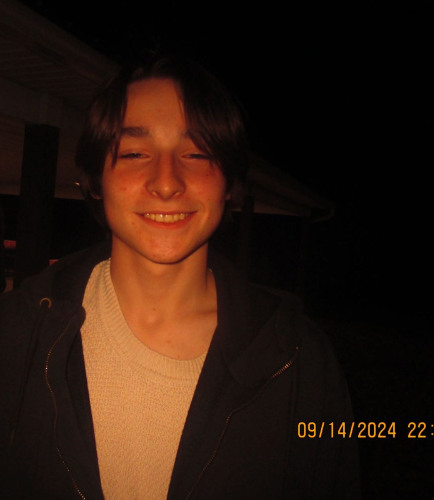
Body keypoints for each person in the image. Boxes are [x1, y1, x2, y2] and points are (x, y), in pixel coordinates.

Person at [0, 55, 360, 499]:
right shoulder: (15, 334)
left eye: (196, 154)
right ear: (96, 179)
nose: (167, 182)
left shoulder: (301, 360)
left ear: (228, 183)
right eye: (134, 153)